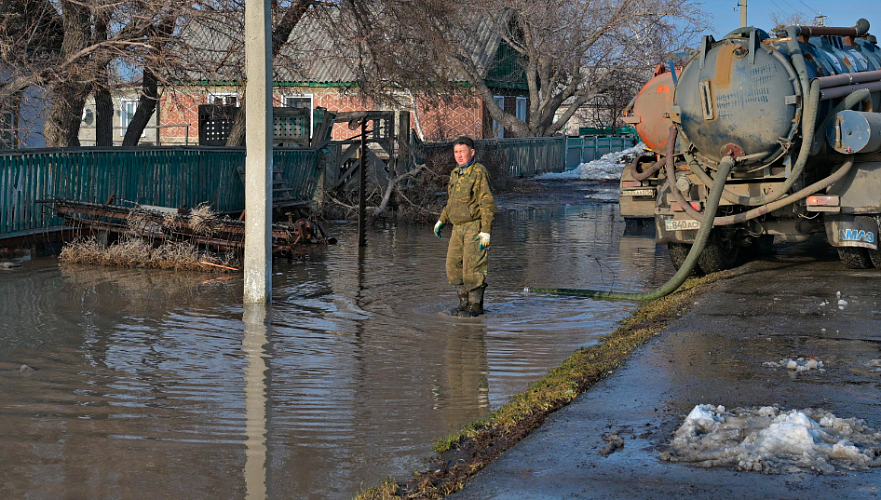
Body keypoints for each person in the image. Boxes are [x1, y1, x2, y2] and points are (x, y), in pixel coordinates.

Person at [433, 136, 497, 317]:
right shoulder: (455, 173)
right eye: (456, 152)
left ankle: (475, 306)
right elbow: (452, 201)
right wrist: (442, 220)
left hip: (474, 226)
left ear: (472, 152)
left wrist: (485, 231)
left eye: (462, 151)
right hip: (457, 227)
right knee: (452, 267)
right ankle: (463, 303)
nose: (459, 155)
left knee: (473, 268)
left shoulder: (478, 172)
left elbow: (487, 203)